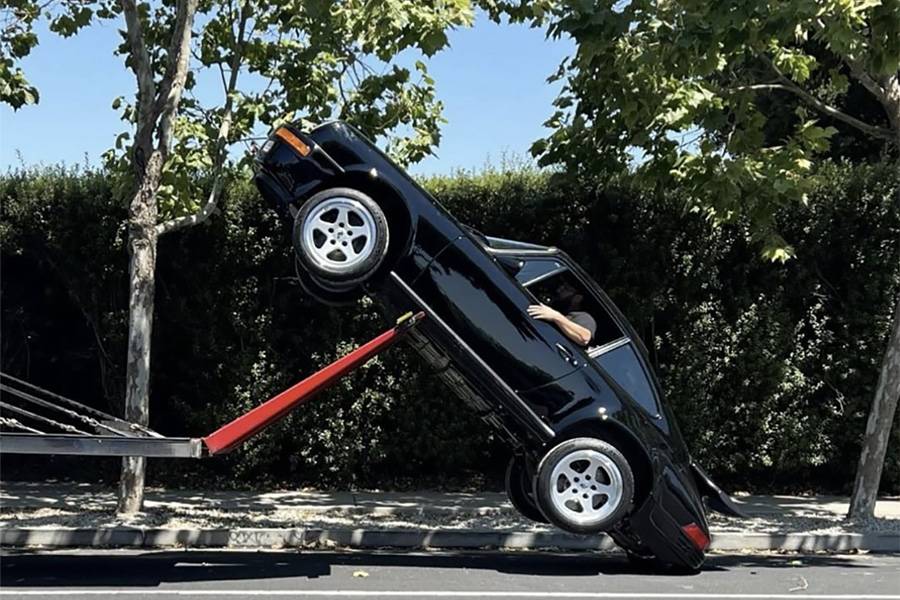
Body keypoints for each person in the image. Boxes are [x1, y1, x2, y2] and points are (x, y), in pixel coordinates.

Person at [527, 280, 597, 347]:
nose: (559, 290)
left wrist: (556, 317)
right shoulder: (560, 310)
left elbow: (584, 338)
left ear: (577, 298)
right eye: (561, 287)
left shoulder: (584, 317)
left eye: (566, 289)